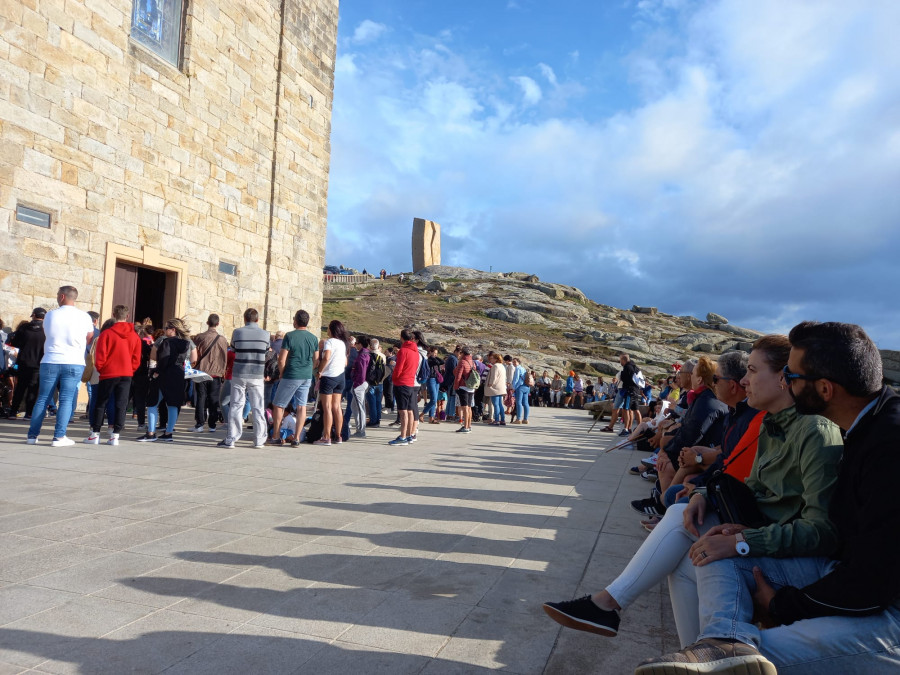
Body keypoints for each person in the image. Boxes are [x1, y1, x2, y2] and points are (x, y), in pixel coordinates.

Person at [543, 335, 843, 650]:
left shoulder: (815, 433)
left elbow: (821, 531)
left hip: (789, 554)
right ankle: (692, 654)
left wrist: (741, 540)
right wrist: (702, 493)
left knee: (693, 541)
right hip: (761, 531)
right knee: (687, 555)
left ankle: (612, 606)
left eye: (752, 371)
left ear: (783, 378)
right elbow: (749, 488)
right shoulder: (773, 424)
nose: (743, 380)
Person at [637, 322, 900, 674]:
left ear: (824, 388)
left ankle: (720, 654)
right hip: (851, 575)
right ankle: (721, 642)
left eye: (791, 375)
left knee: (757, 657)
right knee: (714, 551)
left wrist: (781, 606)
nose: (785, 382)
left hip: (885, 609)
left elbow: (873, 578)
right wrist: (742, 539)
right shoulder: (866, 425)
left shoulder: (888, 446)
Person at [26, 286, 94, 447]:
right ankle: (59, 436)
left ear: (62, 296)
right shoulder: (84, 316)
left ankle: (32, 435)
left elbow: (47, 331)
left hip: (50, 359)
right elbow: (89, 337)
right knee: (66, 399)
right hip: (74, 360)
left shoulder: (51, 314)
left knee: (42, 398)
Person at [85, 305, 141, 446]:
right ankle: (115, 435)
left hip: (109, 372)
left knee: (101, 403)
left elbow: (100, 356)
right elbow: (136, 358)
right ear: (127, 316)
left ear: (113, 314)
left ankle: (95, 434)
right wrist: (130, 369)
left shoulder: (106, 334)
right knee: (121, 404)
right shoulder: (134, 336)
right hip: (126, 373)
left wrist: (102, 369)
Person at [137, 318, 197, 442]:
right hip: (178, 374)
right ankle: (169, 433)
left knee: (153, 403)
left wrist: (156, 372)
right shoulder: (186, 343)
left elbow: (163, 360)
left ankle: (151, 432)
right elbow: (192, 359)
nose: (164, 330)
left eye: (166, 328)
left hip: (165, 375)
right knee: (173, 405)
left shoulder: (166, 342)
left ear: (173, 330)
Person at [267, 309, 319, 447]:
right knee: (302, 406)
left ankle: (276, 435)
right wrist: (310, 369)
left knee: (278, 404)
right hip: (306, 375)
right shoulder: (313, 338)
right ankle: (296, 437)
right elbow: (316, 359)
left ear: (295, 321)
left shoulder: (290, 336)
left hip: (291, 374)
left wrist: (282, 372)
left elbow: (281, 359)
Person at [220, 308, 270, 449]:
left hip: (239, 373)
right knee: (258, 407)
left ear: (244, 319)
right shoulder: (265, 334)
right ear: (257, 319)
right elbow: (266, 351)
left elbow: (234, 349)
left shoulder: (237, 332)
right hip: (257, 374)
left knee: (236, 405)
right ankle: (259, 440)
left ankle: (231, 439)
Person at [312, 319, 349, 446]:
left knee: (327, 407)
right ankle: (338, 435)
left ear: (331, 330)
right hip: (340, 376)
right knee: (337, 407)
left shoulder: (329, 342)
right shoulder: (343, 344)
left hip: (328, 376)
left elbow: (326, 357)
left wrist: (320, 371)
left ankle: (326, 436)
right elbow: (345, 362)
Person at [191, 314, 228, 433]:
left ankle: (200, 424)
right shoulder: (222, 340)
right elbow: (225, 358)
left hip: (202, 371)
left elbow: (194, 355)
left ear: (207, 323)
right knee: (213, 398)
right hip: (216, 372)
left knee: (201, 397)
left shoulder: (199, 337)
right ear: (217, 324)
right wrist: (223, 371)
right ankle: (212, 425)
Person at [7, 307, 46, 419]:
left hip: (23, 363)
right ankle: (29, 413)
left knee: (20, 388)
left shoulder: (24, 328)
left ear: (33, 315)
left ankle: (13, 412)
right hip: (39, 364)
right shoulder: (46, 329)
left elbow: (15, 344)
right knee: (33, 389)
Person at [388, 328, 419, 445]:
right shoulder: (415, 352)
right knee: (410, 410)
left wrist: (394, 378)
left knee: (403, 411)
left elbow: (399, 368)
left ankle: (403, 437)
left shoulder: (403, 351)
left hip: (402, 382)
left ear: (401, 338)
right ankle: (410, 434)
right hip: (411, 382)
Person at [349, 335, 371, 438]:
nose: (355, 345)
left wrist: (356, 384)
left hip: (359, 384)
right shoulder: (366, 353)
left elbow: (362, 373)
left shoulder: (362, 355)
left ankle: (361, 430)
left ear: (360, 344)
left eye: (357, 343)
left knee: (360, 407)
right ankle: (359, 428)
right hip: (362, 383)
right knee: (355, 406)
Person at [453, 345, 477, 433]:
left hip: (463, 386)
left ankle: (465, 427)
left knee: (465, 407)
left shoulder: (462, 362)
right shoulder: (472, 362)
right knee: (469, 407)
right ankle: (469, 425)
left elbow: (458, 375)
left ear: (463, 353)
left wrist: (456, 386)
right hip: (471, 387)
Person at [366, 339, 386, 427]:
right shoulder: (383, 356)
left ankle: (373, 420)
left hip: (370, 382)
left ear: (370, 346)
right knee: (378, 402)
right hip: (380, 382)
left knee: (371, 402)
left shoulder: (368, 355)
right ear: (378, 346)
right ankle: (378, 419)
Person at [484, 352, 507, 425]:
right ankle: (502, 419)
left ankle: (496, 419)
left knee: (495, 404)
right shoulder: (502, 366)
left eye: (492, 358)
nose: (491, 360)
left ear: (496, 359)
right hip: (500, 387)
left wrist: (490, 384)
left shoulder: (495, 366)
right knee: (500, 404)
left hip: (495, 388)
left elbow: (493, 377)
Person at [511, 358, 531, 425]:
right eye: (513, 362)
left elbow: (516, 379)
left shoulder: (518, 368)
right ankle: (525, 419)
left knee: (518, 402)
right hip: (526, 387)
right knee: (525, 403)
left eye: (515, 362)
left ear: (518, 362)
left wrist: (513, 387)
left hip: (520, 387)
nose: (513, 363)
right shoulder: (523, 368)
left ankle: (518, 419)